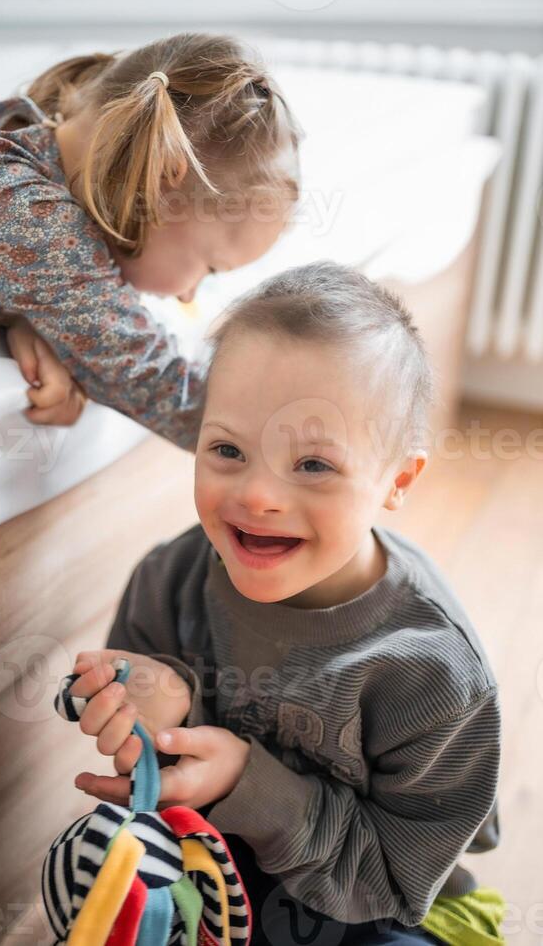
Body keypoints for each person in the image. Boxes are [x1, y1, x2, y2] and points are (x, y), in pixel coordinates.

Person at [62, 261, 502, 945]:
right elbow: (150, 781)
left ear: (397, 479)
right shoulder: (170, 577)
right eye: (228, 449)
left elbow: (393, 880)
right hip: (214, 873)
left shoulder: (434, 671)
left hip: (371, 907)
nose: (259, 496)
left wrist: (247, 779)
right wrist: (148, 709)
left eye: (314, 465)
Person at [0, 32, 299, 444]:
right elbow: (155, 381)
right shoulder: (33, 222)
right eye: (209, 268)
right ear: (159, 182)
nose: (190, 295)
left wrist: (20, 315)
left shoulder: (17, 136)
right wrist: (291, 440)